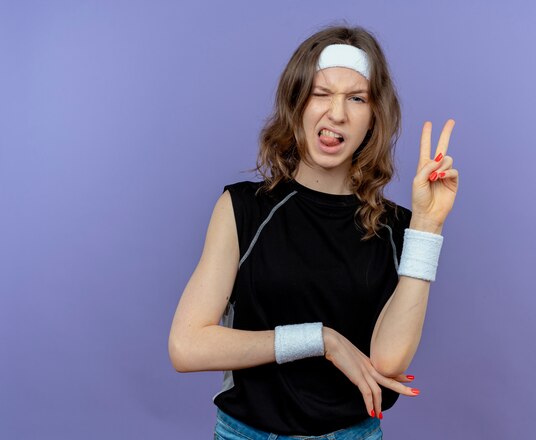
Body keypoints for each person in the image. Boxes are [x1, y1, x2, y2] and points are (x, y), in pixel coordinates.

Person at [168, 24, 459, 439]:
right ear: (296, 103)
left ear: (373, 118)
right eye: (321, 93)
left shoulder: (398, 227)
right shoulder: (243, 208)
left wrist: (428, 227)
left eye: (356, 98)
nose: (336, 113)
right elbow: (186, 346)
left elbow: (389, 363)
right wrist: (318, 339)